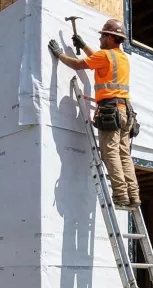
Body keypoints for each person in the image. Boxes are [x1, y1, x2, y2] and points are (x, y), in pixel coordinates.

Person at [48, 19, 141, 209]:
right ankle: (133, 195)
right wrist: (83, 45)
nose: (100, 38)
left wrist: (59, 55)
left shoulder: (105, 56)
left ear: (109, 37)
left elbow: (77, 64)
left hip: (111, 111)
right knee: (124, 155)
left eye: (102, 35)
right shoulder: (121, 58)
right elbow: (100, 59)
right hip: (126, 112)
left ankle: (121, 195)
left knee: (110, 153)